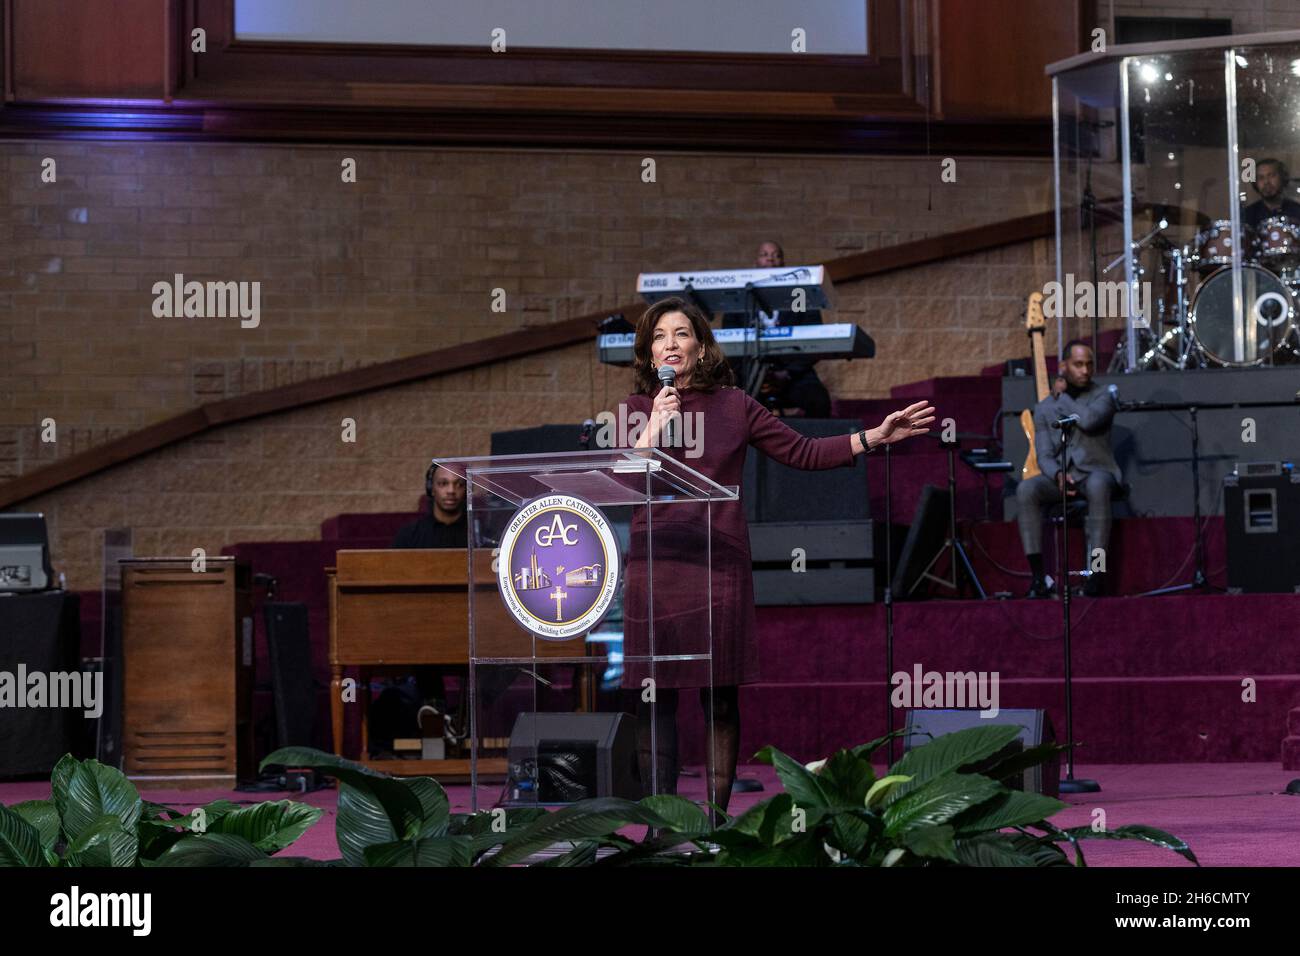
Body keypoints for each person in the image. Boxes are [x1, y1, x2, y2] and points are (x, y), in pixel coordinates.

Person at [619, 296, 934, 822]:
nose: (669, 344)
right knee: (657, 703)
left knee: (719, 699)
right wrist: (653, 427)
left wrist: (873, 438)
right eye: (658, 336)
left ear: (700, 345)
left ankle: (716, 825)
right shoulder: (635, 409)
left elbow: (803, 453)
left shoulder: (736, 405)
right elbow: (626, 483)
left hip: (718, 565)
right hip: (659, 567)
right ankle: (662, 827)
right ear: (648, 352)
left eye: (680, 334)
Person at [1015, 340, 1122, 599]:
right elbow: (1044, 454)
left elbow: (1087, 420)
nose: (1085, 371)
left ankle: (1094, 578)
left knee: (1097, 485)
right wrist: (1057, 474)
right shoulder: (1044, 409)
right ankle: (1039, 578)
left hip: (1096, 472)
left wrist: (1062, 397)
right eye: (1078, 364)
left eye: (1089, 365)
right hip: (1063, 475)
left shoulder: (1103, 396)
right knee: (1027, 489)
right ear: (1063, 366)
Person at [721, 240, 832, 417]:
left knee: (818, 399)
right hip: (748, 372)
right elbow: (728, 339)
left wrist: (787, 373)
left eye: (776, 255)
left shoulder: (798, 294)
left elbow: (813, 337)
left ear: (783, 263)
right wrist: (751, 372)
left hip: (793, 373)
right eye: (764, 255)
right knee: (726, 399)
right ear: (755, 263)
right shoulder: (741, 296)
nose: (770, 259)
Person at [391, 463, 467, 548]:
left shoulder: (478, 533)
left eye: (459, 484)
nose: (451, 491)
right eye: (443, 483)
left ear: (467, 490)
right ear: (431, 488)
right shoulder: (409, 534)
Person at [1243, 158, 1300, 231]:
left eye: (1271, 176)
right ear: (1255, 183)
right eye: (1261, 178)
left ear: (1283, 178)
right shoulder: (1248, 214)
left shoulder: (1297, 210)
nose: (1266, 181)